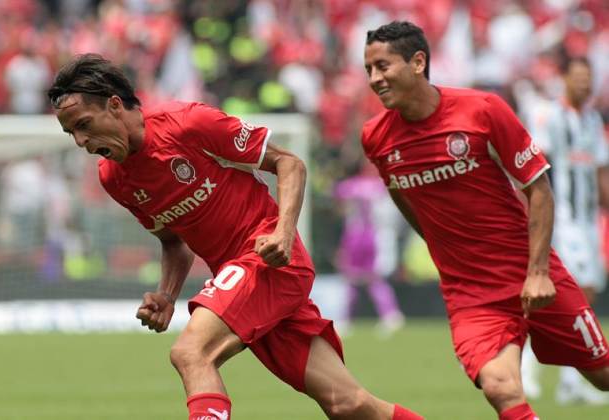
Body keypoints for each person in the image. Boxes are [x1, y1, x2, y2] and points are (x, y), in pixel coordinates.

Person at [47, 54, 422, 420]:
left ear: (114, 105)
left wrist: (283, 232)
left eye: (83, 124)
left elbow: (289, 164)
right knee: (349, 405)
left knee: (191, 352)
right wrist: (166, 294)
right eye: (71, 133)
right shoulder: (114, 177)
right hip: (242, 280)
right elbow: (173, 242)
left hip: (267, 258)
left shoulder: (186, 123)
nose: (80, 140)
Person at [361, 21, 609, 420]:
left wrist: (539, 271)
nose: (375, 79)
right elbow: (402, 195)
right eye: (369, 69)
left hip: (531, 273)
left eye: (383, 66)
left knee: (602, 374)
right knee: (500, 385)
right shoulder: (376, 137)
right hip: (470, 293)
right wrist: (445, 249)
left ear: (418, 62)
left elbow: (539, 189)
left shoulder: (482, 110)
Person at [521, 56, 609, 405]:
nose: (585, 85)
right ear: (565, 80)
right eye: (579, 78)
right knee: (578, 293)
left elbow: (601, 174)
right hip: (563, 221)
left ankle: (569, 381)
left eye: (589, 79)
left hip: (588, 223)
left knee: (583, 298)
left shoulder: (591, 121)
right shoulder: (550, 117)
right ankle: (536, 370)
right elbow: (536, 171)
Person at [333, 160, 405, 337]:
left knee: (351, 279)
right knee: (374, 279)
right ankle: (391, 316)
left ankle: (345, 321)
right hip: (373, 235)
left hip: (354, 235)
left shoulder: (347, 186)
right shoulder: (379, 185)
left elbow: (340, 208)